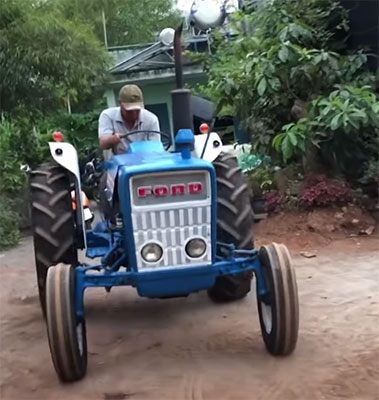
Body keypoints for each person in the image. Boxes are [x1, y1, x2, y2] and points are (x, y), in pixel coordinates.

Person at [98, 84, 160, 154]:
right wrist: (113, 139)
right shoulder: (108, 115)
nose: (134, 114)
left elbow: (155, 150)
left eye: (137, 110)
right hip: (118, 162)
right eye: (129, 111)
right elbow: (103, 144)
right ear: (120, 104)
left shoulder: (151, 119)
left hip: (145, 162)